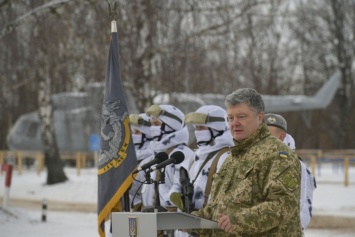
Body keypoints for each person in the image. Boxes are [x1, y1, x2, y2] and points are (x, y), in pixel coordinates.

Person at [191, 88, 302, 237]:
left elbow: (283, 206)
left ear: (260, 117)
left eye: (241, 116)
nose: (234, 123)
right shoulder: (232, 157)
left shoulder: (278, 155)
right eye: (230, 118)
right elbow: (218, 208)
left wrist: (238, 221)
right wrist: (192, 221)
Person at [169, 105, 234, 237]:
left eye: (201, 128)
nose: (198, 132)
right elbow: (179, 182)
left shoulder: (225, 157)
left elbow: (224, 199)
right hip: (187, 227)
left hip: (208, 227)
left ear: (216, 129)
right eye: (196, 128)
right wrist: (176, 195)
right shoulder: (195, 156)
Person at [264, 113, 316, 231]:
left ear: (282, 137)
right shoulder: (253, 161)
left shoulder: (296, 165)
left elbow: (303, 206)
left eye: (268, 136)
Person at [142, 104, 195, 212]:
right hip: (153, 222)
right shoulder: (157, 155)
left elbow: (183, 196)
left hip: (173, 223)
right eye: (151, 124)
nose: (152, 128)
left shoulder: (182, 156)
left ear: (171, 126)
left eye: (156, 124)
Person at [128, 113, 154, 211]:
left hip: (142, 210)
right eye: (133, 131)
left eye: (137, 132)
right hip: (127, 207)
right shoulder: (130, 155)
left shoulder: (152, 159)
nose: (134, 135)